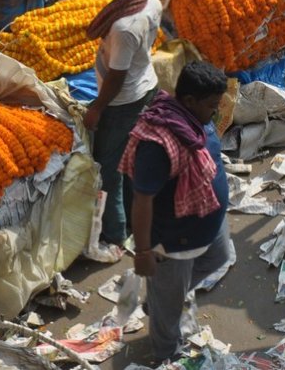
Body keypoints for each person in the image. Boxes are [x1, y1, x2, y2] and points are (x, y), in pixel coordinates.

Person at [122, 61, 231, 363]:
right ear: (190, 101)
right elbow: (142, 200)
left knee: (221, 257)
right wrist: (143, 252)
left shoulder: (194, 119)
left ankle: (160, 298)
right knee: (168, 313)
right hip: (174, 241)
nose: (216, 111)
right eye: (212, 105)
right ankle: (166, 354)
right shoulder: (158, 145)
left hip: (208, 224)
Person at [83, 0, 162, 246]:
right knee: (132, 162)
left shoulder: (124, 27)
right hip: (146, 86)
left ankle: (114, 232)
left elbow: (117, 76)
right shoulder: (151, 1)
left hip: (123, 102)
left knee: (109, 169)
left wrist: (97, 107)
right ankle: (131, 218)